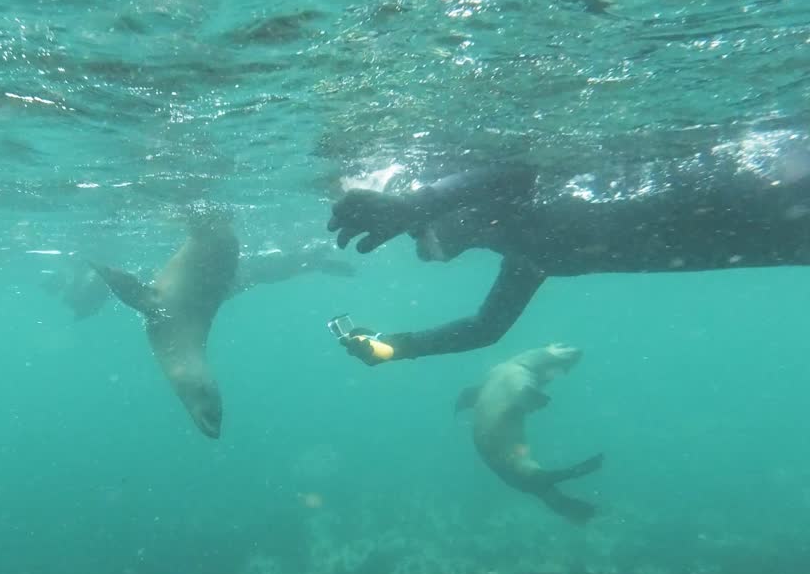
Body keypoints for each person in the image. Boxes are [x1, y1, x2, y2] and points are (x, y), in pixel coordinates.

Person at [323, 133, 810, 364]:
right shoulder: (528, 256)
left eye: (414, 230)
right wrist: (394, 348)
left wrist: (414, 203)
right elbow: (485, 329)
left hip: (774, 195)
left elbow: (515, 170)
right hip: (784, 236)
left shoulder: (524, 202)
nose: (415, 241)